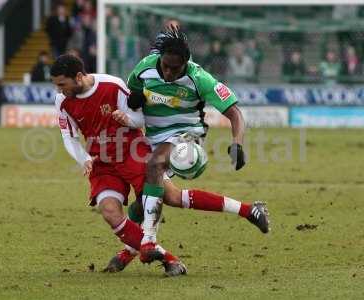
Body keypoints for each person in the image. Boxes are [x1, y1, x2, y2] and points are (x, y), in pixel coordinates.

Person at [123, 27, 269, 269]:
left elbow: (234, 113)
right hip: (152, 139)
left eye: (175, 68)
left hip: (187, 137)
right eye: (165, 66)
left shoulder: (199, 78)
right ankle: (249, 211)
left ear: (186, 63)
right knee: (149, 202)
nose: (169, 73)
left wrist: (237, 143)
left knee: (155, 164)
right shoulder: (144, 68)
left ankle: (147, 241)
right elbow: (132, 93)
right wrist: (135, 99)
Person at [50, 54, 186, 277]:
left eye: (62, 84)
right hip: (101, 161)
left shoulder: (113, 85)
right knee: (110, 211)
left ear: (78, 77)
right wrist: (83, 158)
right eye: (56, 85)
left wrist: (126, 119)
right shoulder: (62, 101)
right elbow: (68, 137)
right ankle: (167, 258)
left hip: (132, 151)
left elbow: (141, 119)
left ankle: (129, 253)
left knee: (160, 199)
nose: (59, 90)